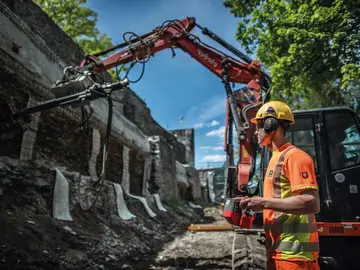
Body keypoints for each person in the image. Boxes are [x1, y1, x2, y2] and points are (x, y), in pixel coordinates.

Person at [238, 100, 320, 270]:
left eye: (259, 126)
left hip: (294, 254)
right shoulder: (275, 158)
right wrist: (254, 202)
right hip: (278, 250)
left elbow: (312, 203)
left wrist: (264, 203)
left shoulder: (295, 157)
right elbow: (278, 199)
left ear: (271, 126)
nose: (256, 132)